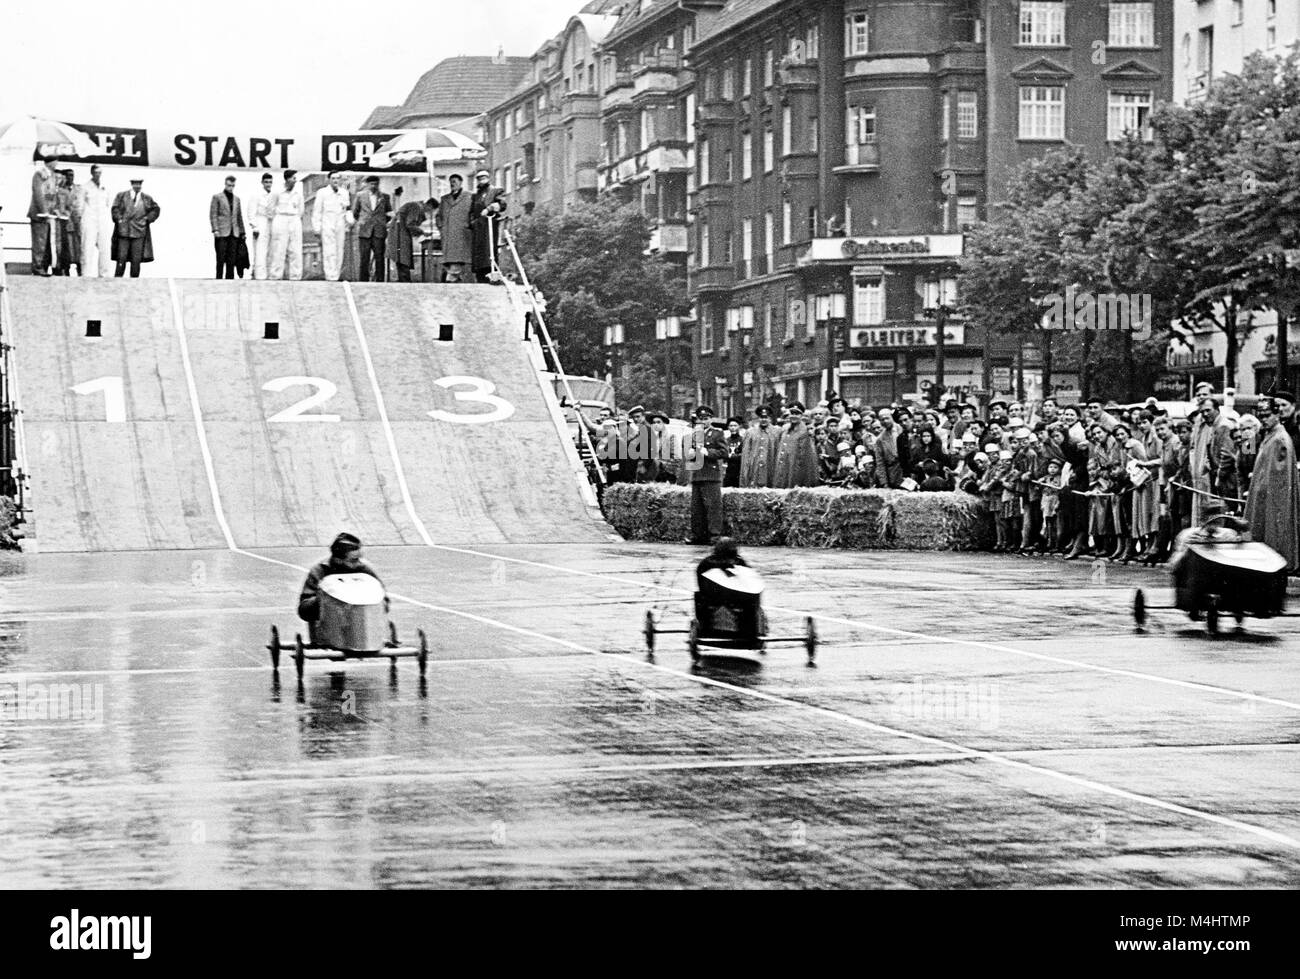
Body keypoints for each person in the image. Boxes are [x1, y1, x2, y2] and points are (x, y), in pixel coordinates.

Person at [1243, 398, 1300, 572]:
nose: (1264, 419)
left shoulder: (1279, 438)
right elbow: (1246, 458)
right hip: (1261, 493)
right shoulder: (1267, 435)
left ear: (1276, 415)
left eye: (1267, 415)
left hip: (1270, 497)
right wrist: (1249, 439)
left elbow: (1277, 476)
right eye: (1261, 416)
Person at [297, 533, 389, 637]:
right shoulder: (319, 571)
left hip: (362, 629)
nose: (358, 563)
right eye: (354, 560)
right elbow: (303, 610)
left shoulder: (365, 570)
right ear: (338, 559)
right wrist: (323, 599)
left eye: (359, 558)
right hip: (328, 630)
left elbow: (384, 602)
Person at [685, 407, 727, 545]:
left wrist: (707, 452)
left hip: (711, 474)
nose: (703, 421)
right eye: (701, 419)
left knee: (713, 507)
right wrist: (690, 454)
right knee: (697, 508)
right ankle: (697, 534)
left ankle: (714, 535)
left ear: (711, 419)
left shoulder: (717, 433)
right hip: (697, 473)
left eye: (706, 418)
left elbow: (723, 452)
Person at [111, 177, 160, 277]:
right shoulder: (122, 196)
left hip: (139, 231)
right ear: (131, 185)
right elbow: (115, 208)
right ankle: (117, 281)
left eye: (139, 184)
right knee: (121, 258)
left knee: (136, 260)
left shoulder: (146, 198)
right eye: (135, 184)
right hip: (124, 231)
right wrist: (119, 219)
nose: (137, 186)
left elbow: (155, 209)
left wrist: (147, 219)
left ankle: (134, 282)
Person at [468, 169, 507, 282]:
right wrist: (472, 223)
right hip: (478, 228)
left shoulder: (495, 191)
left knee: (489, 252)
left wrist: (489, 208)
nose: (482, 180)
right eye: (479, 179)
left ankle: (491, 273)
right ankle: (480, 277)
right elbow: (471, 211)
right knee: (478, 255)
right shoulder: (476, 195)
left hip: (490, 226)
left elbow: (501, 204)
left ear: (488, 178)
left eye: (484, 178)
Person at [312, 171, 351, 281]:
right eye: (333, 178)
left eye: (338, 178)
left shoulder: (344, 193)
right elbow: (317, 211)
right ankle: (330, 276)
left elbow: (347, 208)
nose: (335, 181)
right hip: (327, 223)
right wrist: (317, 228)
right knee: (329, 250)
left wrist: (349, 220)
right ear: (329, 180)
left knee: (339, 249)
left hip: (340, 223)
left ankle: (336, 275)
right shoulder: (322, 192)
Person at [351, 175, 391, 282]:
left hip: (379, 231)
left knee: (379, 257)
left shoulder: (385, 197)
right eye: (371, 184)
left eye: (376, 184)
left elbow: (388, 213)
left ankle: (380, 281)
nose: (374, 186)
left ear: (378, 184)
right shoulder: (360, 196)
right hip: (364, 231)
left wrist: (381, 223)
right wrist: (363, 222)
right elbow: (355, 212)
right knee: (364, 258)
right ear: (367, 185)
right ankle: (363, 281)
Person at [266, 170, 304, 280]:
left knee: (295, 249)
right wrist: (278, 219)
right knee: (278, 249)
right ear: (287, 179)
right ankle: (275, 275)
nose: (295, 180)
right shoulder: (277, 192)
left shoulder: (298, 194)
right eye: (293, 178)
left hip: (294, 219)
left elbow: (301, 210)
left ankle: (296, 276)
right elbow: (270, 209)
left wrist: (294, 219)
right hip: (280, 218)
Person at [389, 196, 436, 282]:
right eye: (431, 211)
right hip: (400, 234)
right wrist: (422, 232)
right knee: (403, 259)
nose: (430, 213)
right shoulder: (416, 206)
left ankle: (403, 281)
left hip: (400, 233)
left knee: (402, 259)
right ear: (429, 206)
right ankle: (405, 281)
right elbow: (410, 224)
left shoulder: (415, 206)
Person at [209, 174, 247, 280]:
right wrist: (215, 229)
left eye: (232, 185)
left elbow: (239, 216)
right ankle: (219, 279)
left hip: (234, 232)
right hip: (221, 231)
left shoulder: (236, 199)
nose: (230, 187)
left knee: (232, 259)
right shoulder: (217, 197)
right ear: (225, 184)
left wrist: (242, 232)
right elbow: (213, 214)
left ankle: (230, 280)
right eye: (229, 185)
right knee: (220, 258)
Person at [27, 154, 60, 275]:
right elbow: (38, 194)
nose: (56, 164)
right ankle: (37, 266)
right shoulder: (39, 174)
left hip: (49, 215)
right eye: (55, 161)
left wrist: (54, 209)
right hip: (39, 214)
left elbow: (52, 195)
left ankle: (43, 266)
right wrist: (44, 210)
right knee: (39, 241)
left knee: (46, 242)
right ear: (50, 162)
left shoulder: (52, 176)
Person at [436, 174, 473, 282]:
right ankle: (453, 277)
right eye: (451, 181)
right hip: (448, 234)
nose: (452, 184)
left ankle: (452, 277)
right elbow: (438, 216)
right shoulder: (445, 199)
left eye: (455, 181)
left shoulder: (469, 197)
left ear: (461, 182)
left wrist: (469, 225)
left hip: (462, 233)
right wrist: (441, 227)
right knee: (450, 259)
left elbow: (473, 213)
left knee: (458, 258)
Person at [772, 403, 819, 488]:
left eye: (797, 414)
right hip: (783, 468)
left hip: (795, 470)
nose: (794, 416)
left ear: (801, 416)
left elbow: (803, 457)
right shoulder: (785, 430)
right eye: (792, 413)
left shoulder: (804, 431)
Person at [79, 164, 113, 277]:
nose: (98, 175)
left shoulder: (106, 187)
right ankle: (86, 274)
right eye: (96, 172)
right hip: (89, 220)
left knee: (105, 248)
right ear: (92, 173)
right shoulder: (85, 187)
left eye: (100, 173)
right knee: (87, 247)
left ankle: (104, 274)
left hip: (102, 220)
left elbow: (108, 203)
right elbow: (79, 206)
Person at [740, 405, 781, 488]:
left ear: (770, 418)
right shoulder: (751, 432)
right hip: (754, 469)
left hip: (770, 468)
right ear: (758, 418)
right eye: (761, 417)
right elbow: (746, 454)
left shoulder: (777, 432)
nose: (764, 420)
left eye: (766, 417)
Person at [246, 172, 275, 280]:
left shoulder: (273, 195)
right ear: (262, 182)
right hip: (260, 223)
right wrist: (254, 227)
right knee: (260, 252)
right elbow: (251, 212)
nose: (268, 184)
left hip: (270, 224)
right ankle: (260, 277)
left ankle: (268, 276)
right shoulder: (256, 195)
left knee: (270, 252)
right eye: (266, 182)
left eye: (270, 182)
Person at [60, 171, 83, 276]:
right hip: (66, 221)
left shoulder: (78, 189)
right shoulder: (61, 190)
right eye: (68, 175)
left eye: (72, 175)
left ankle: (80, 269)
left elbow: (81, 204)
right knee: (68, 247)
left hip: (77, 221)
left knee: (78, 246)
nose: (71, 178)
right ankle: (66, 268)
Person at [723, 417, 745, 487]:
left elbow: (744, 455)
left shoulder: (743, 440)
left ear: (739, 427)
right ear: (728, 427)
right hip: (727, 470)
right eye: (731, 426)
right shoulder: (725, 440)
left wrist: (731, 456)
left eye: (735, 426)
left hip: (739, 470)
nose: (733, 428)